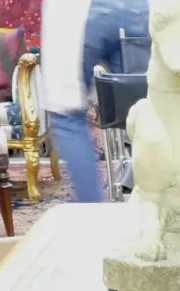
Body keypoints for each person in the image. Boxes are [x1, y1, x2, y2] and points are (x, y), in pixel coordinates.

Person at [41, 0, 150, 202]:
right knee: (152, 112)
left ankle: (92, 211)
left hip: (76, 10)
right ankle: (166, 208)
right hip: (138, 7)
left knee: (67, 117)